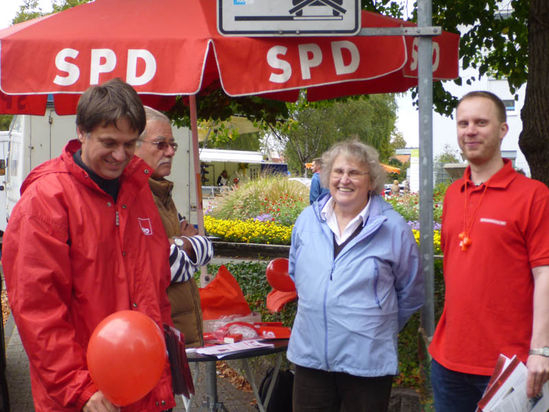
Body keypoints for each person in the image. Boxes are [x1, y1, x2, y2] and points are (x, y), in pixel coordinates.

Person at [1, 79, 175, 412]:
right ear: (81, 132)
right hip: (86, 399)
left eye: (129, 144)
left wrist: (163, 373)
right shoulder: (46, 200)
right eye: (109, 142)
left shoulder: (138, 191)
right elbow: (37, 310)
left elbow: (156, 289)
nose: (120, 155)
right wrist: (78, 388)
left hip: (145, 390)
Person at [429, 91, 549, 411]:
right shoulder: (453, 194)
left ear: (502, 130)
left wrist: (541, 350)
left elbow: (544, 273)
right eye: (463, 123)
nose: (470, 130)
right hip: (448, 363)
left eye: (481, 122)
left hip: (510, 367)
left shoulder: (534, 195)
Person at [288, 139, 424, 412]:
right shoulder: (306, 220)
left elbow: (411, 290)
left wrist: (377, 325)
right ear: (327, 177)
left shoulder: (393, 228)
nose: (344, 180)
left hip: (367, 363)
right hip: (311, 357)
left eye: (354, 173)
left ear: (371, 181)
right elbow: (296, 272)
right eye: (338, 172)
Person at [135, 106, 213, 348]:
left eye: (173, 145)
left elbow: (207, 249)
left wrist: (179, 244)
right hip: (154, 339)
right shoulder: (135, 196)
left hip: (176, 339)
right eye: (160, 144)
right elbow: (164, 266)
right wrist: (186, 242)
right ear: (133, 146)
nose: (170, 152)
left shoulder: (162, 193)